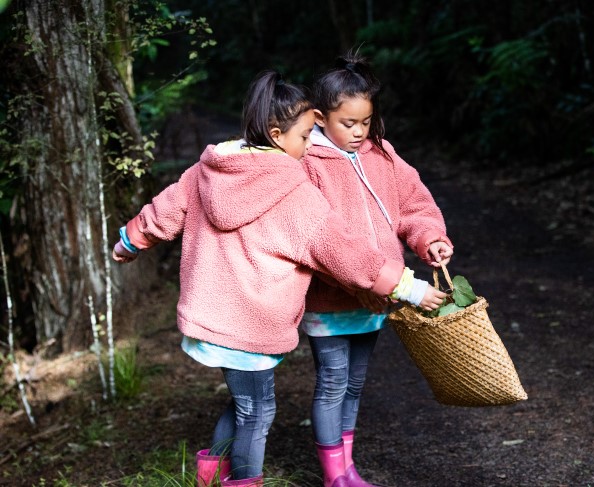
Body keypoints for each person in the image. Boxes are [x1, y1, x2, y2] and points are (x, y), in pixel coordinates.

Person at [111, 70, 447, 487]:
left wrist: (130, 240)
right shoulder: (293, 189)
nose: (309, 147)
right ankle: (243, 482)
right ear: (276, 132)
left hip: (213, 316)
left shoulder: (209, 168)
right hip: (252, 321)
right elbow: (342, 250)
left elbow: (164, 209)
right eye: (306, 136)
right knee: (258, 412)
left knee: (242, 407)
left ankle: (209, 478)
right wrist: (407, 287)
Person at [299, 52, 454, 487]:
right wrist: (369, 283)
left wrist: (430, 238)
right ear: (318, 117)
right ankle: (333, 476)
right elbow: (318, 241)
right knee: (332, 381)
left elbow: (414, 205)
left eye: (365, 122)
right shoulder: (306, 162)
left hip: (380, 295)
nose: (359, 132)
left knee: (355, 382)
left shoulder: (381, 154)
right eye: (348, 123)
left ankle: (348, 468)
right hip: (331, 298)